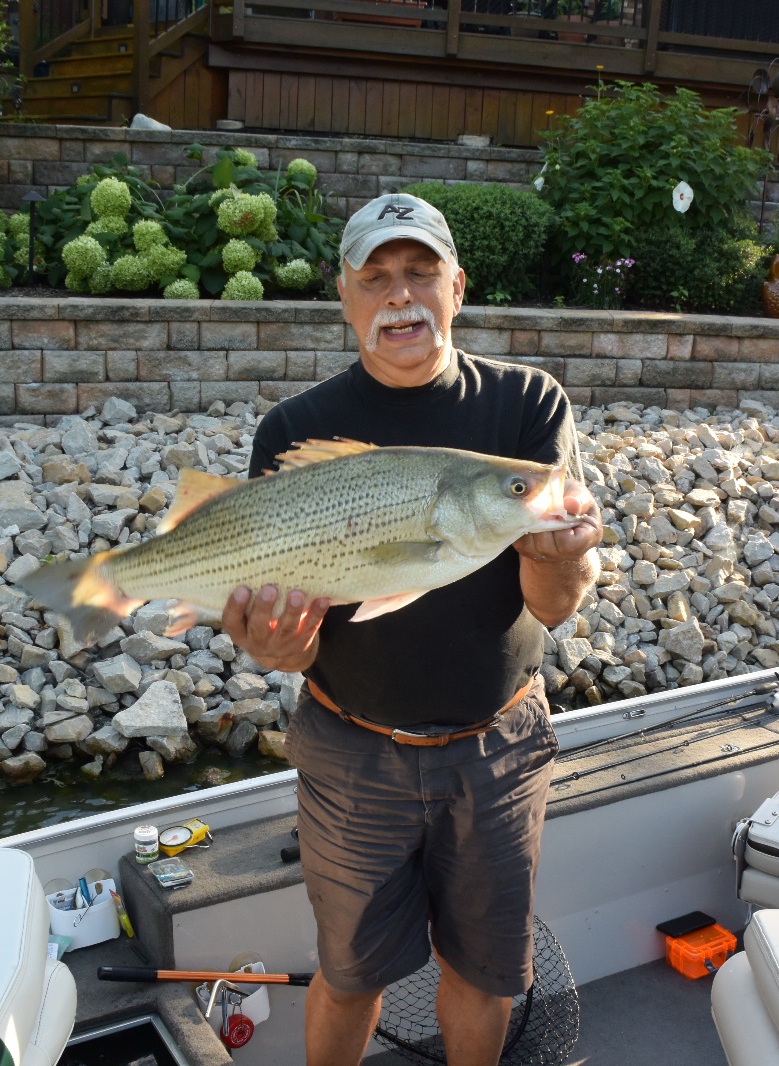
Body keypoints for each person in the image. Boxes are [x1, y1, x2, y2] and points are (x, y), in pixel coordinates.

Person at [222, 192, 602, 1066]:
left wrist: (555, 550)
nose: (401, 297)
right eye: (377, 278)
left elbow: (556, 604)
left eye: (421, 274)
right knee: (350, 973)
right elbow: (300, 635)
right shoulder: (294, 430)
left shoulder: (526, 410)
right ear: (347, 299)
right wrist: (277, 645)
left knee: (486, 972)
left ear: (456, 289)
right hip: (352, 750)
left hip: (497, 748)